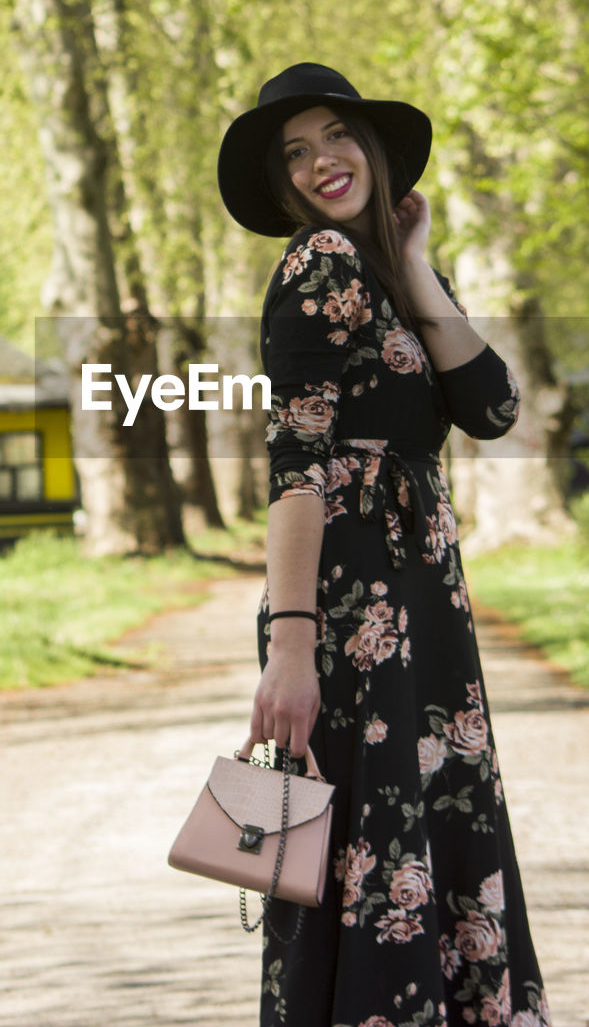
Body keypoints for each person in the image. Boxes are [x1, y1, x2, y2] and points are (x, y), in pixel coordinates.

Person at [217, 63, 551, 1027]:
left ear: (371, 146)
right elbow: (296, 466)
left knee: (424, 834)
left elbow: (491, 407)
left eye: (335, 137)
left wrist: (413, 264)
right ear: (284, 187)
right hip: (350, 611)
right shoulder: (316, 261)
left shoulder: (389, 271)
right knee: (357, 853)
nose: (321, 161)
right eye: (296, 153)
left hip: (421, 601)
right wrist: (288, 646)